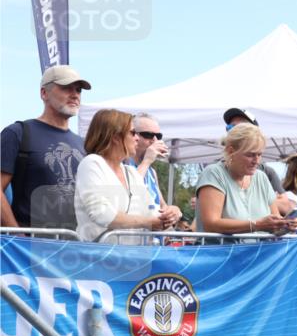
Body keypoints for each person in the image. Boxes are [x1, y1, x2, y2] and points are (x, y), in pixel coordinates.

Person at [1, 65, 91, 229]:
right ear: (44, 93)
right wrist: (15, 235)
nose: (74, 95)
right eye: (66, 88)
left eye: (78, 90)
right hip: (31, 245)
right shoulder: (18, 133)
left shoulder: (83, 144)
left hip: (75, 243)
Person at [74, 109, 174, 242]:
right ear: (115, 137)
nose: (137, 138)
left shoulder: (130, 172)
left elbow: (151, 211)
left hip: (131, 258)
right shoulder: (92, 163)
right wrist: (148, 222)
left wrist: (171, 213)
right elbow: (101, 213)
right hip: (99, 257)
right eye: (133, 133)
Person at [194, 123, 297, 235]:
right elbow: (211, 224)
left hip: (259, 251)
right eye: (250, 155)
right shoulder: (214, 174)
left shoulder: (261, 177)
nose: (256, 161)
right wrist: (257, 225)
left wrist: (286, 225)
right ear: (230, 151)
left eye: (259, 154)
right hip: (222, 252)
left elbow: (275, 225)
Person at [223, 107, 294, 215]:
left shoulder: (265, 173)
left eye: (242, 127)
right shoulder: (215, 171)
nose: (234, 130)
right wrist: (267, 199)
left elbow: (285, 206)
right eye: (230, 127)